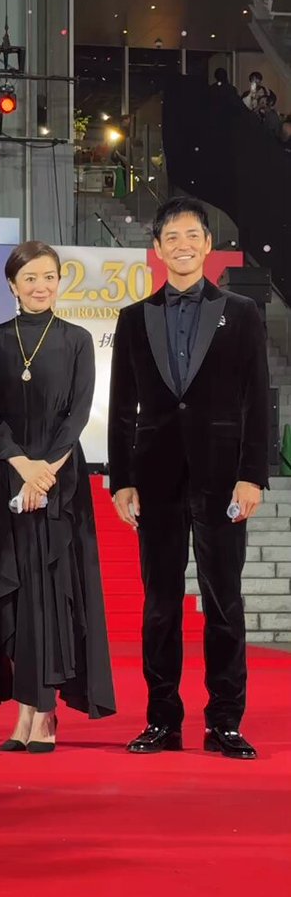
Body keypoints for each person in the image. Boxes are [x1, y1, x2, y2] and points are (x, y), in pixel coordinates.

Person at [108, 196, 269, 759]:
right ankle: (162, 720)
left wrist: (253, 475)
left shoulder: (241, 313)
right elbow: (121, 406)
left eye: (191, 236)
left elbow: (257, 398)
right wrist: (121, 480)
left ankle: (225, 720)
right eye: (171, 237)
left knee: (224, 601)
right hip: (155, 478)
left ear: (207, 245)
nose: (182, 245)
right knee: (160, 605)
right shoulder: (134, 318)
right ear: (157, 248)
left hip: (223, 479)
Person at [0, 241, 116, 751]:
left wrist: (45, 472)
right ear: (12, 284)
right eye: (29, 278)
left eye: (49, 276)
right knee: (13, 594)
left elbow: (78, 413)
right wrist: (20, 465)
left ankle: (44, 713)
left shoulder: (76, 340)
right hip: (6, 474)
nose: (40, 286)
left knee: (52, 592)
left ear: (59, 281)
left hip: (59, 480)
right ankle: (24, 710)